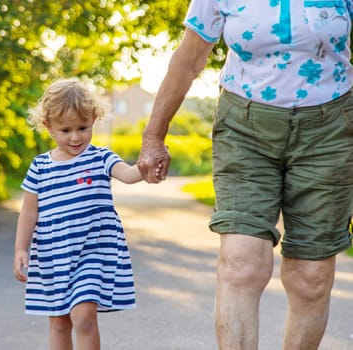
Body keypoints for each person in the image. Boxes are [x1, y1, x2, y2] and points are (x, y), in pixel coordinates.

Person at [137, 2, 353, 350]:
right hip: (245, 130)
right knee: (242, 263)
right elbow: (189, 59)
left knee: (311, 276)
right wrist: (153, 137)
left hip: (329, 129)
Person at [13, 78, 161, 350]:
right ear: (48, 126)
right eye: (65, 130)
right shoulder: (40, 167)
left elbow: (128, 175)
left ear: (94, 119)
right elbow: (29, 211)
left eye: (83, 127)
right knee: (58, 322)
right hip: (52, 254)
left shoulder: (100, 157)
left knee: (83, 318)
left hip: (92, 250)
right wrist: (21, 249)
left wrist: (146, 167)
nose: (75, 137)